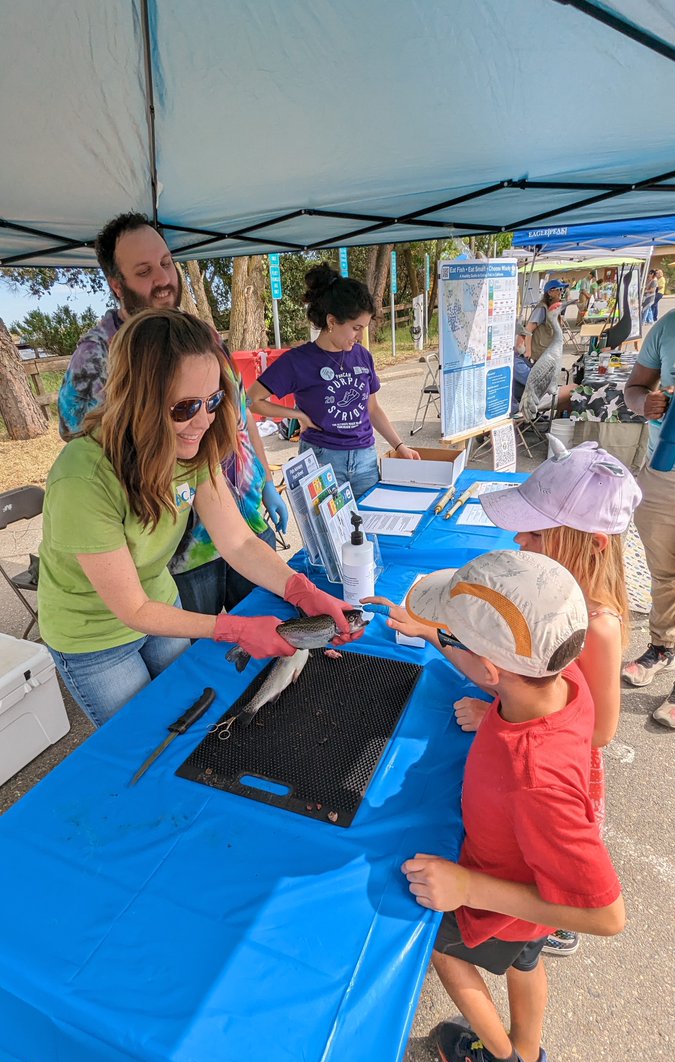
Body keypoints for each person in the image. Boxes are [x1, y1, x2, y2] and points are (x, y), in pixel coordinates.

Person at [367, 550, 624, 1062]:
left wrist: (467, 889)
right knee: (526, 961)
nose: (448, 639)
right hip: (530, 900)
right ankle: (532, 1051)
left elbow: (606, 915)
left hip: (502, 895)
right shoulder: (561, 675)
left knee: (442, 947)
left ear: (493, 671)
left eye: (455, 637)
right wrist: (436, 637)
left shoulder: (537, 778)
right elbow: (493, 670)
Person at [39, 310, 361, 727]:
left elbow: (238, 541)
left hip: (159, 600)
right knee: (144, 736)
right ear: (137, 399)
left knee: (188, 712)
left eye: (213, 401)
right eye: (185, 406)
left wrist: (301, 590)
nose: (204, 420)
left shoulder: (194, 446)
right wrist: (235, 629)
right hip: (94, 636)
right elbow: (131, 608)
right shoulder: (83, 478)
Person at [456, 440, 640, 954]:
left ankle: (551, 916)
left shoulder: (597, 623)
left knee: (551, 855)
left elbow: (599, 730)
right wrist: (500, 704)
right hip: (543, 737)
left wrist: (511, 713)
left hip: (562, 766)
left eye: (535, 532)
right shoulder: (552, 593)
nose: (518, 538)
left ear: (593, 543)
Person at [58, 211, 287, 616]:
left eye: (166, 263)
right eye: (144, 271)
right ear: (117, 284)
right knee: (204, 661)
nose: (163, 279)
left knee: (274, 637)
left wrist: (266, 479)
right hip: (180, 549)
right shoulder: (95, 359)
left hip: (244, 520)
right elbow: (101, 464)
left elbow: (237, 411)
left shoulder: (200, 334)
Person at [247, 263, 420, 499]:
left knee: (369, 530)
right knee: (326, 535)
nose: (360, 336)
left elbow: (372, 408)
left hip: (365, 461)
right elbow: (252, 400)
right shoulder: (298, 361)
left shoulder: (363, 356)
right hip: (321, 460)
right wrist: (298, 416)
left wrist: (400, 446)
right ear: (331, 321)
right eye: (356, 328)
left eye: (364, 328)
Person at [623, 312, 675, 728]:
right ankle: (662, 646)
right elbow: (634, 388)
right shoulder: (668, 326)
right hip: (664, 472)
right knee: (665, 573)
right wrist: (646, 403)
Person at [525, 279, 567, 362]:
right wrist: (528, 351)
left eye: (561, 290)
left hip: (549, 353)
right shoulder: (542, 309)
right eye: (558, 290)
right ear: (549, 293)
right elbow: (528, 330)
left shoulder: (553, 308)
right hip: (541, 355)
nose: (561, 293)